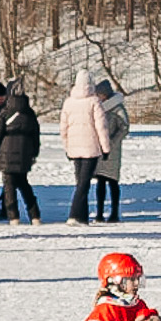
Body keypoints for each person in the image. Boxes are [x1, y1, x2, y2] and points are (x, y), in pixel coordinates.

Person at [0, 81, 42, 222]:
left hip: (6, 154)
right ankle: (35, 215)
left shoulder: (5, 112)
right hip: (24, 154)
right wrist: (34, 153)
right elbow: (35, 135)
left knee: (9, 187)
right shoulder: (29, 112)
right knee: (24, 184)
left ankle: (13, 217)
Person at [60, 71, 109, 224]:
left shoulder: (68, 102)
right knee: (84, 183)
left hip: (74, 148)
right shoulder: (94, 101)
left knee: (80, 181)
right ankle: (74, 214)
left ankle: (82, 216)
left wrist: (67, 146)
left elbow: (64, 127)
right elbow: (101, 127)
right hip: (90, 147)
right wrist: (105, 148)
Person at [93, 74, 132, 221]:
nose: (99, 97)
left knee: (113, 181)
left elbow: (124, 127)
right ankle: (99, 213)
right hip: (100, 149)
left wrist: (112, 142)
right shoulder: (98, 108)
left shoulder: (117, 108)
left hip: (112, 150)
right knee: (100, 181)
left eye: (101, 94)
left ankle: (115, 212)